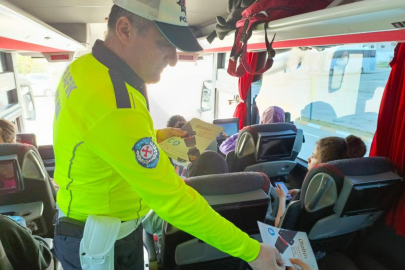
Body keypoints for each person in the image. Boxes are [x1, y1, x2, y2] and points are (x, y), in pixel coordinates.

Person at [52, 1, 283, 270]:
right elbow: (173, 201)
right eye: (165, 44)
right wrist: (252, 252)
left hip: (96, 222)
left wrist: (154, 137)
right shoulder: (114, 104)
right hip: (98, 239)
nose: (173, 59)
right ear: (125, 30)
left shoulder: (84, 68)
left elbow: (97, 136)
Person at [274, 135, 367, 227]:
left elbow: (279, 226)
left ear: (323, 166)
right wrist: (300, 193)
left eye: (313, 156)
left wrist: (281, 198)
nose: (308, 159)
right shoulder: (345, 191)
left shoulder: (312, 199)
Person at [219, 106, 285, 155]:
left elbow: (225, 149)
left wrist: (239, 134)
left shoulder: (251, 134)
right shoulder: (286, 136)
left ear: (262, 119)